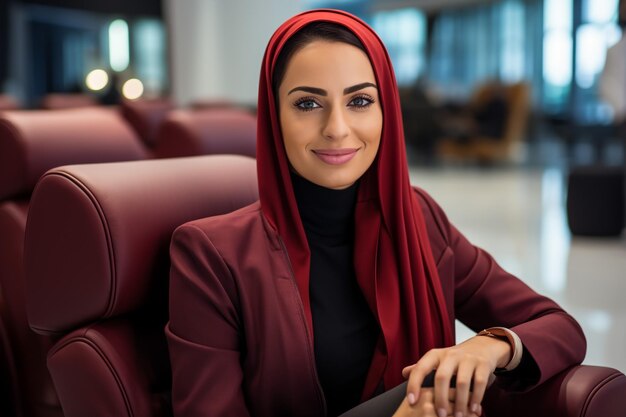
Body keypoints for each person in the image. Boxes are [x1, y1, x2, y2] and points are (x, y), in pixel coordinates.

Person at [166, 9, 585, 417]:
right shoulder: (211, 256)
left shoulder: (419, 220)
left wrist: (491, 345)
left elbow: (557, 325)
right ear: (274, 117)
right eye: (308, 104)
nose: (337, 128)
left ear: (387, 111)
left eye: (361, 100)